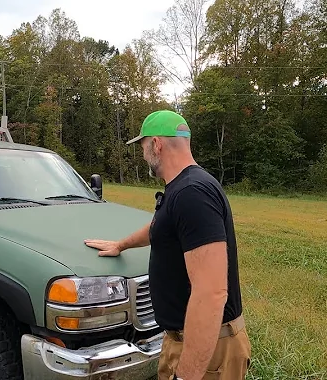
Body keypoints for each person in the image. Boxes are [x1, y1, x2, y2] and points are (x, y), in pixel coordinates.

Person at [84, 110, 251, 380]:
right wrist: (121, 244)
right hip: (183, 340)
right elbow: (159, 229)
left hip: (208, 350)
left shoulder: (191, 193)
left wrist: (186, 376)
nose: (142, 154)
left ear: (157, 144)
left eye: (142, 146)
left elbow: (211, 293)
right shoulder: (183, 188)